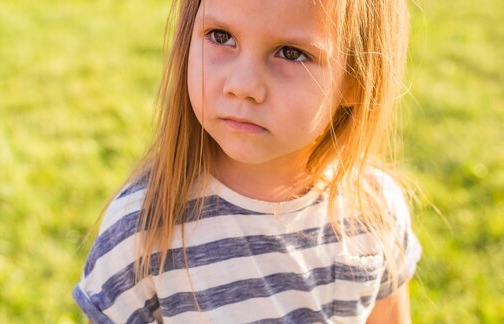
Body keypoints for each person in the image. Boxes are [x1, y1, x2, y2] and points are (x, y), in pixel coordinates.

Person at [73, 0, 422, 322]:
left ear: (356, 81)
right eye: (221, 37)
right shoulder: (141, 233)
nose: (242, 86)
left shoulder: (376, 210)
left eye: (291, 53)